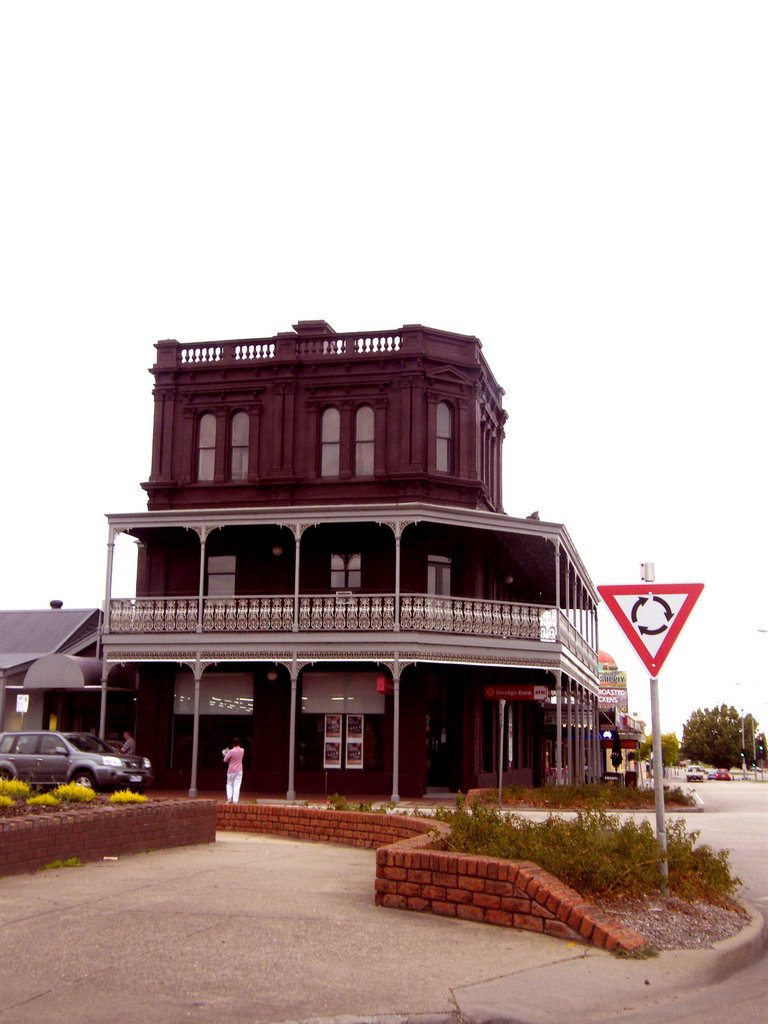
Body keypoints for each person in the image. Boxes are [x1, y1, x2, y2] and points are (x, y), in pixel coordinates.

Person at [223, 737, 244, 803]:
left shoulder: (231, 751)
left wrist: (226, 754)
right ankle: (235, 800)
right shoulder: (242, 750)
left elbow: (225, 760)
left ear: (233, 744)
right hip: (239, 770)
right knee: (237, 785)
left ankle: (229, 798)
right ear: (239, 743)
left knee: (229, 784)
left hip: (231, 770)